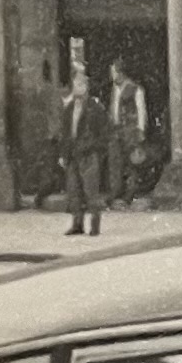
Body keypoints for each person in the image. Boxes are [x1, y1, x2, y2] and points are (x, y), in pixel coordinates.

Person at [52, 69, 112, 237]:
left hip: (88, 154)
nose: (77, 87)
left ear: (86, 86)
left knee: (91, 190)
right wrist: (63, 154)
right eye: (75, 84)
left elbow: (104, 132)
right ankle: (77, 223)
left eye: (80, 84)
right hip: (73, 155)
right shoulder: (69, 108)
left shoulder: (95, 108)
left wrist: (95, 148)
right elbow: (65, 133)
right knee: (74, 190)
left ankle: (95, 224)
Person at [106, 59, 149, 207]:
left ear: (121, 73)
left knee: (131, 163)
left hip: (130, 131)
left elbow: (141, 111)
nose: (112, 75)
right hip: (116, 130)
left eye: (113, 72)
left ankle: (130, 193)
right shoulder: (114, 89)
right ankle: (115, 192)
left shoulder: (135, 89)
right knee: (115, 161)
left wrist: (140, 130)